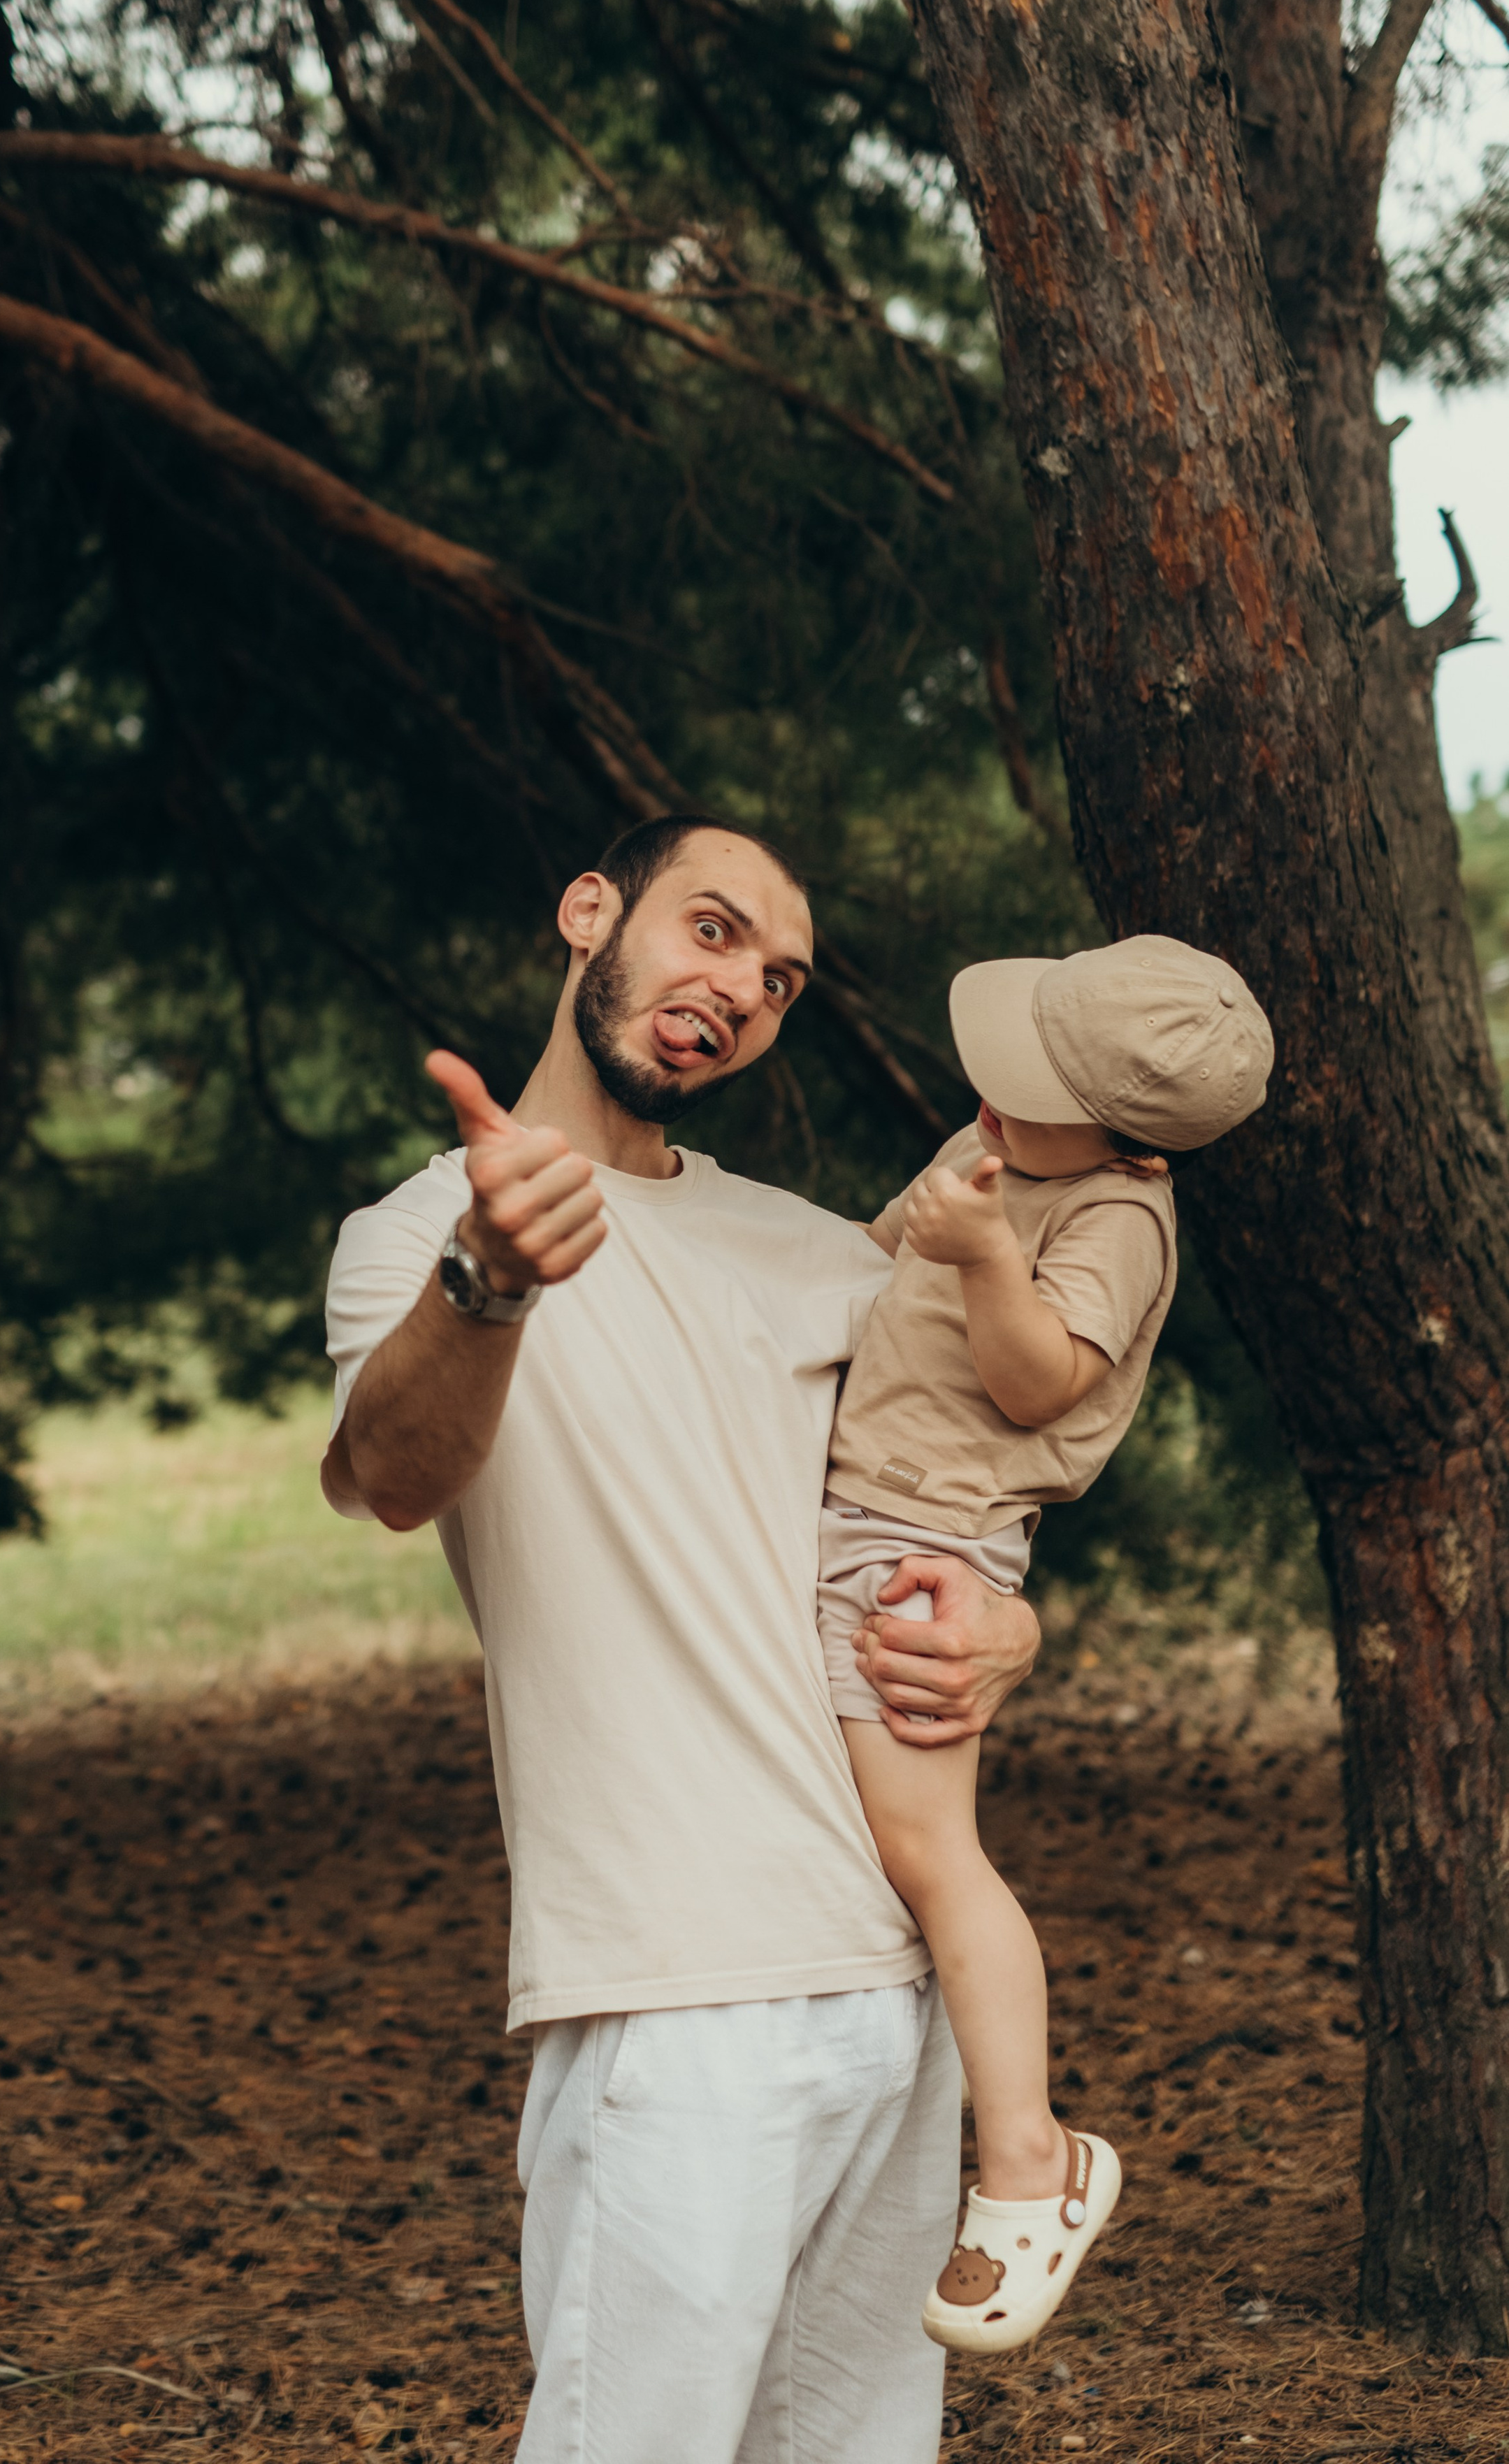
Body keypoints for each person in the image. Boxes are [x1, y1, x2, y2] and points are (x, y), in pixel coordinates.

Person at [321, 814, 1041, 2464]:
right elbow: (389, 1473)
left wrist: (1010, 1628)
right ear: (591, 913)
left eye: (777, 979)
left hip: (901, 1982)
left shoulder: (817, 1255)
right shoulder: (420, 1240)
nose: (739, 989)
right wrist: (491, 1280)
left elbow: (931, 1519)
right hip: (672, 1992)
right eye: (710, 933)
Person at [816, 937, 1274, 2354]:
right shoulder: (990, 1149)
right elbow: (859, 1278)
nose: (989, 1094)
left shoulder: (1119, 1221)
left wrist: (983, 1255)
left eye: (1031, 1087)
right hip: (837, 1504)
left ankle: (1034, 2163)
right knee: (852, 1845)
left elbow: (1029, 1385)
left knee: (925, 1852)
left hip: (926, 1543)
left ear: (1133, 1139)